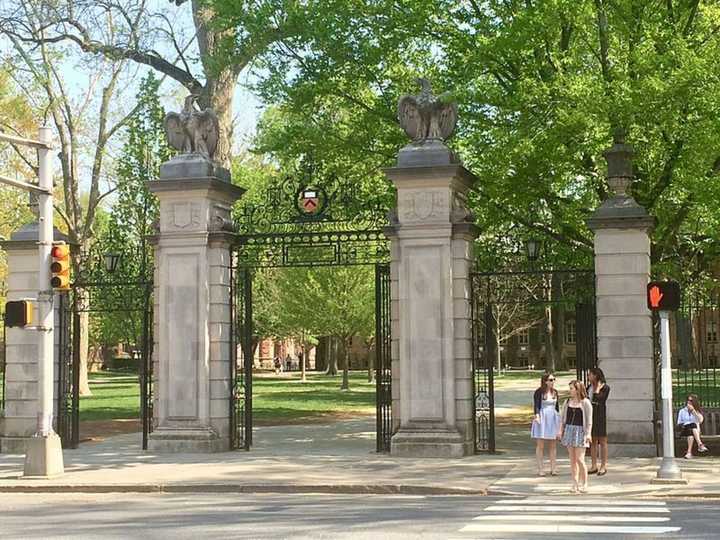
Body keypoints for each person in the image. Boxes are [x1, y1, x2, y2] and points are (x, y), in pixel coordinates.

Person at [559, 380, 593, 494]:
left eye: (572, 388)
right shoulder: (567, 402)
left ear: (578, 389)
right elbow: (563, 419)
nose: (570, 391)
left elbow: (589, 421)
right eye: (570, 388)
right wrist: (561, 431)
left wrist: (588, 433)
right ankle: (574, 483)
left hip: (580, 431)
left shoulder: (585, 403)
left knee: (580, 459)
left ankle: (584, 483)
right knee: (572, 460)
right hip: (569, 430)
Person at [531, 372, 560, 476]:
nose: (552, 382)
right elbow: (536, 406)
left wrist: (559, 420)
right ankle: (541, 469)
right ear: (545, 381)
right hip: (543, 417)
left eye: (553, 380)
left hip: (552, 417)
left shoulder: (555, 392)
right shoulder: (539, 392)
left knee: (553, 445)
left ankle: (553, 468)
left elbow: (557, 407)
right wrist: (537, 415)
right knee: (541, 445)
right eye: (551, 380)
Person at [587, 367, 610, 476]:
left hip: (600, 416)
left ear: (596, 375)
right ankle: (594, 465)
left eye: (590, 374)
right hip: (591, 416)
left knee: (603, 440)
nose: (588, 377)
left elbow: (599, 400)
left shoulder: (605, 388)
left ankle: (603, 465)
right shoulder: (589, 387)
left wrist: (597, 390)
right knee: (593, 441)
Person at [677, 394, 709, 459]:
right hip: (684, 430)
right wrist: (687, 424)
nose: (688, 402)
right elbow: (679, 423)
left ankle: (689, 453)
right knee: (692, 425)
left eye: (691, 400)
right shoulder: (682, 411)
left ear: (694, 402)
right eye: (688, 400)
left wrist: (693, 411)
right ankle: (700, 444)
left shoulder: (697, 411)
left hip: (694, 432)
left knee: (692, 429)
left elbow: (700, 421)